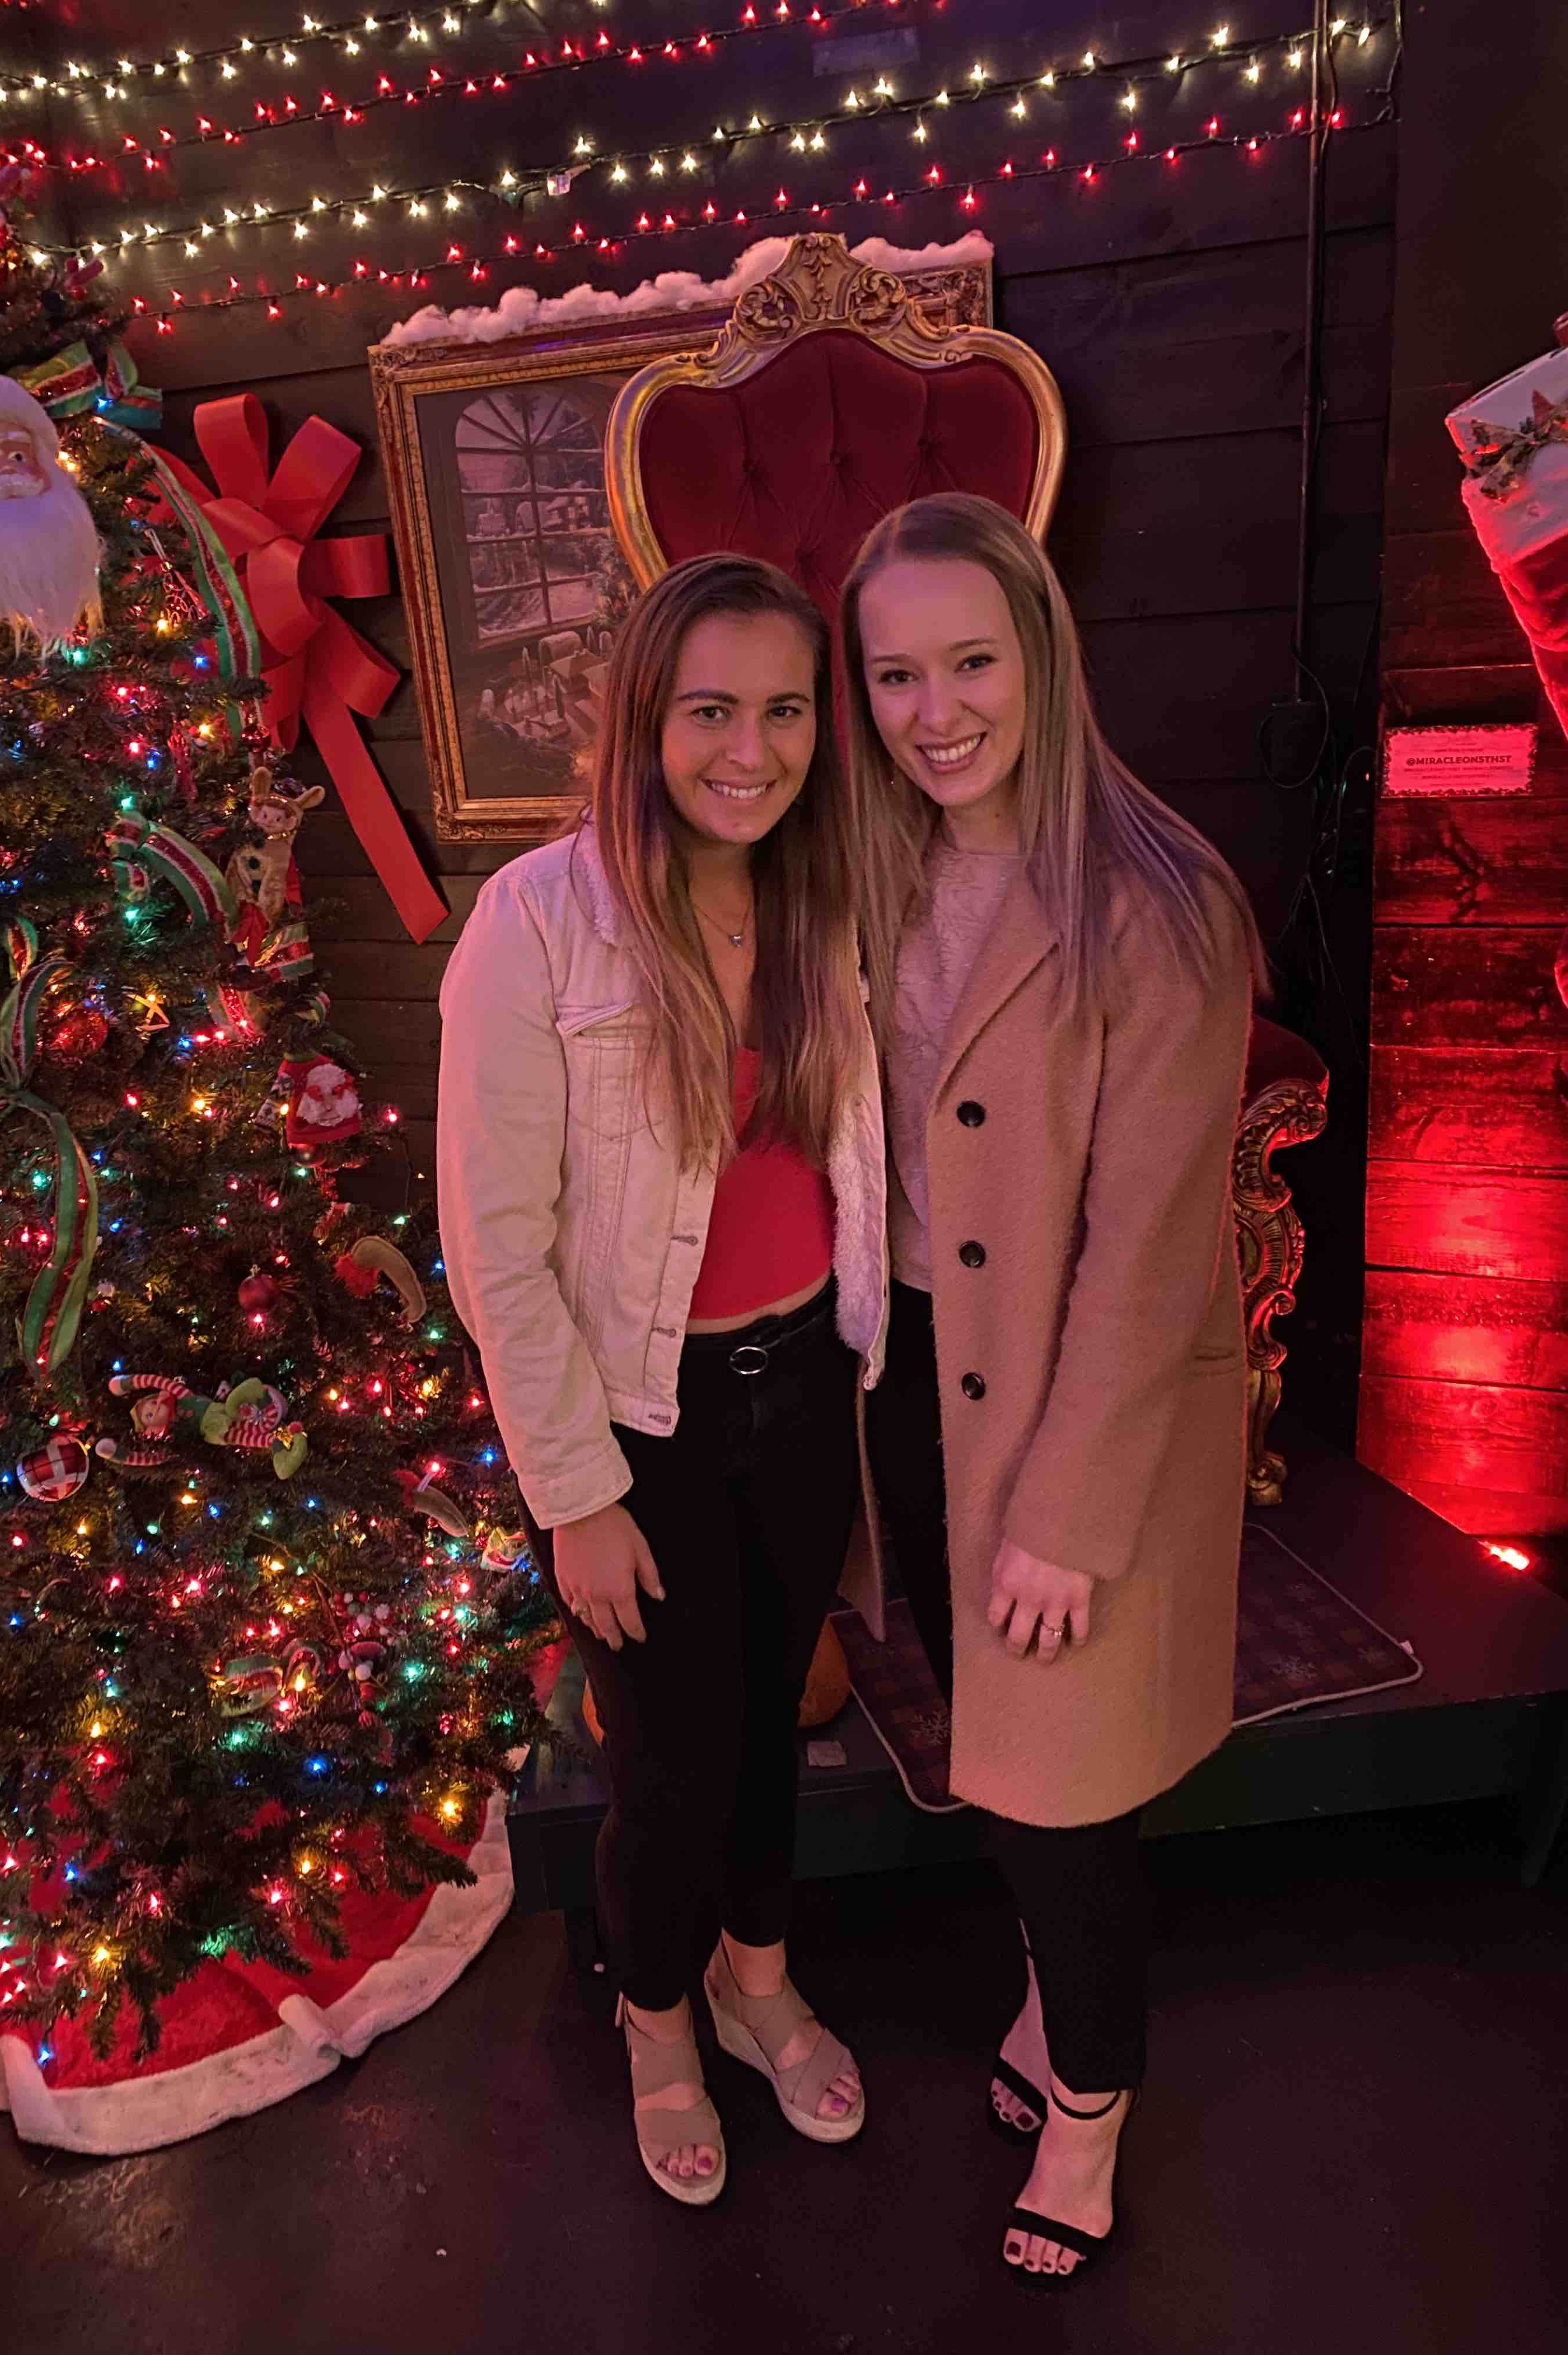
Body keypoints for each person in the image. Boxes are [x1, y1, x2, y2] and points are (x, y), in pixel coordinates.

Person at [841, 492, 1262, 2283]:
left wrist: (1070, 1514)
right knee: (995, 1750)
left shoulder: (1159, 901)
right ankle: (1042, 1996)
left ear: (1042, 652)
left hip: (1071, 1406)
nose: (935, 712)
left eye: (970, 664)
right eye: (895, 676)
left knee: (1064, 1789)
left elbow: (1154, 1248)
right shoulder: (864, 871)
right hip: (915, 1386)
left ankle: (1092, 2103)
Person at [437, 554, 889, 2205]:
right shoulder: (536, 923)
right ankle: (654, 2015)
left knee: (773, 1725)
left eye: (785, 711)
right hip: (647, 1423)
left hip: (805, 1390)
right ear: (643, 718)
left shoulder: (823, 899)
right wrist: (576, 1495)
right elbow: (496, 1243)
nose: (749, 751)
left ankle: (756, 1981)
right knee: (670, 1761)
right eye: (710, 710)